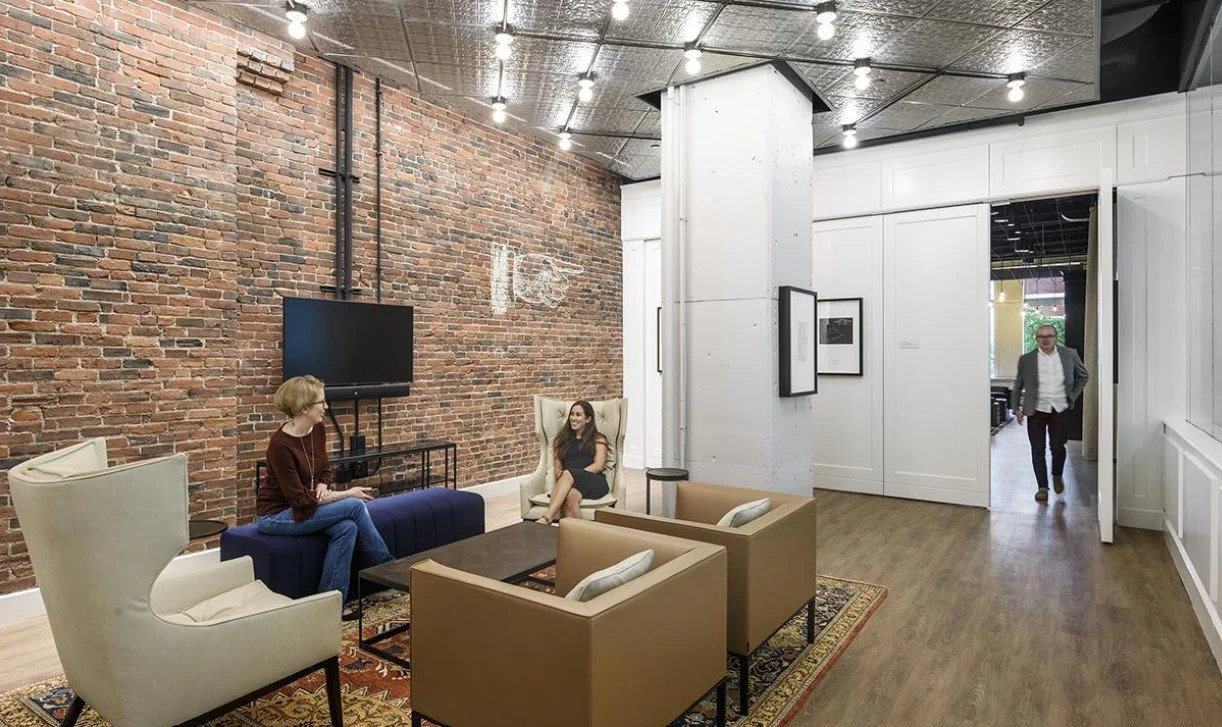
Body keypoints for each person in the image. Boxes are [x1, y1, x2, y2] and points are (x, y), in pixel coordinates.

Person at [255, 375, 393, 619]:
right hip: (276, 516)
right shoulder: (280, 446)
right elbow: (299, 500)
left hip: (306, 507)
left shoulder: (317, 429)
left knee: (347, 528)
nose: (326, 407)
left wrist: (322, 483)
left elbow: (325, 469)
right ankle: (389, 569)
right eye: (322, 402)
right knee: (354, 506)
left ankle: (329, 606)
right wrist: (346, 493)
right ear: (304, 408)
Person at [1010, 325, 1090, 502]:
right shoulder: (1026, 359)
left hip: (1059, 409)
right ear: (1036, 339)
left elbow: (1083, 376)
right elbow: (1018, 385)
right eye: (1041, 337)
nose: (1045, 340)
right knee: (1037, 450)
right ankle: (1042, 488)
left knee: (1058, 448)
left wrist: (1073, 396)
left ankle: (1057, 474)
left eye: (1049, 336)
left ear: (1056, 337)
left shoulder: (1069, 354)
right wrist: (1016, 408)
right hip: (1035, 411)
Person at [537, 400, 609, 525]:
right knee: (570, 497)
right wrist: (569, 479)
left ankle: (547, 517)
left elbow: (599, 465)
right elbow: (557, 469)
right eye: (572, 414)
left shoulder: (598, 438)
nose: (573, 418)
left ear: (588, 419)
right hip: (568, 483)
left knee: (568, 473)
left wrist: (574, 476)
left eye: (578, 415)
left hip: (593, 481)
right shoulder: (561, 439)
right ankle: (576, 535)